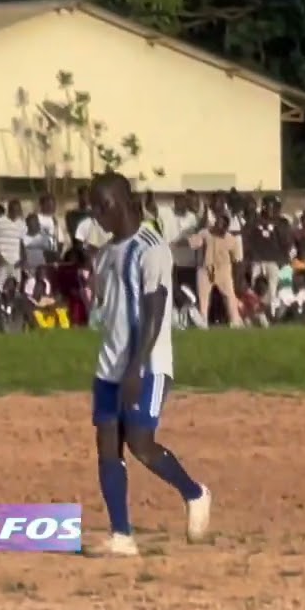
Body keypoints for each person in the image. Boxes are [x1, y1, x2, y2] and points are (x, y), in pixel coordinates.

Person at [86, 172, 210, 558]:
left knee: (140, 443)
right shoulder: (105, 254)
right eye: (93, 207)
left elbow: (155, 312)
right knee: (107, 446)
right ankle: (121, 535)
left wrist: (135, 368)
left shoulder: (151, 248)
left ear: (124, 202)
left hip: (147, 364)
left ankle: (195, 493)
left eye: (103, 205)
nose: (98, 214)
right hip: (109, 365)